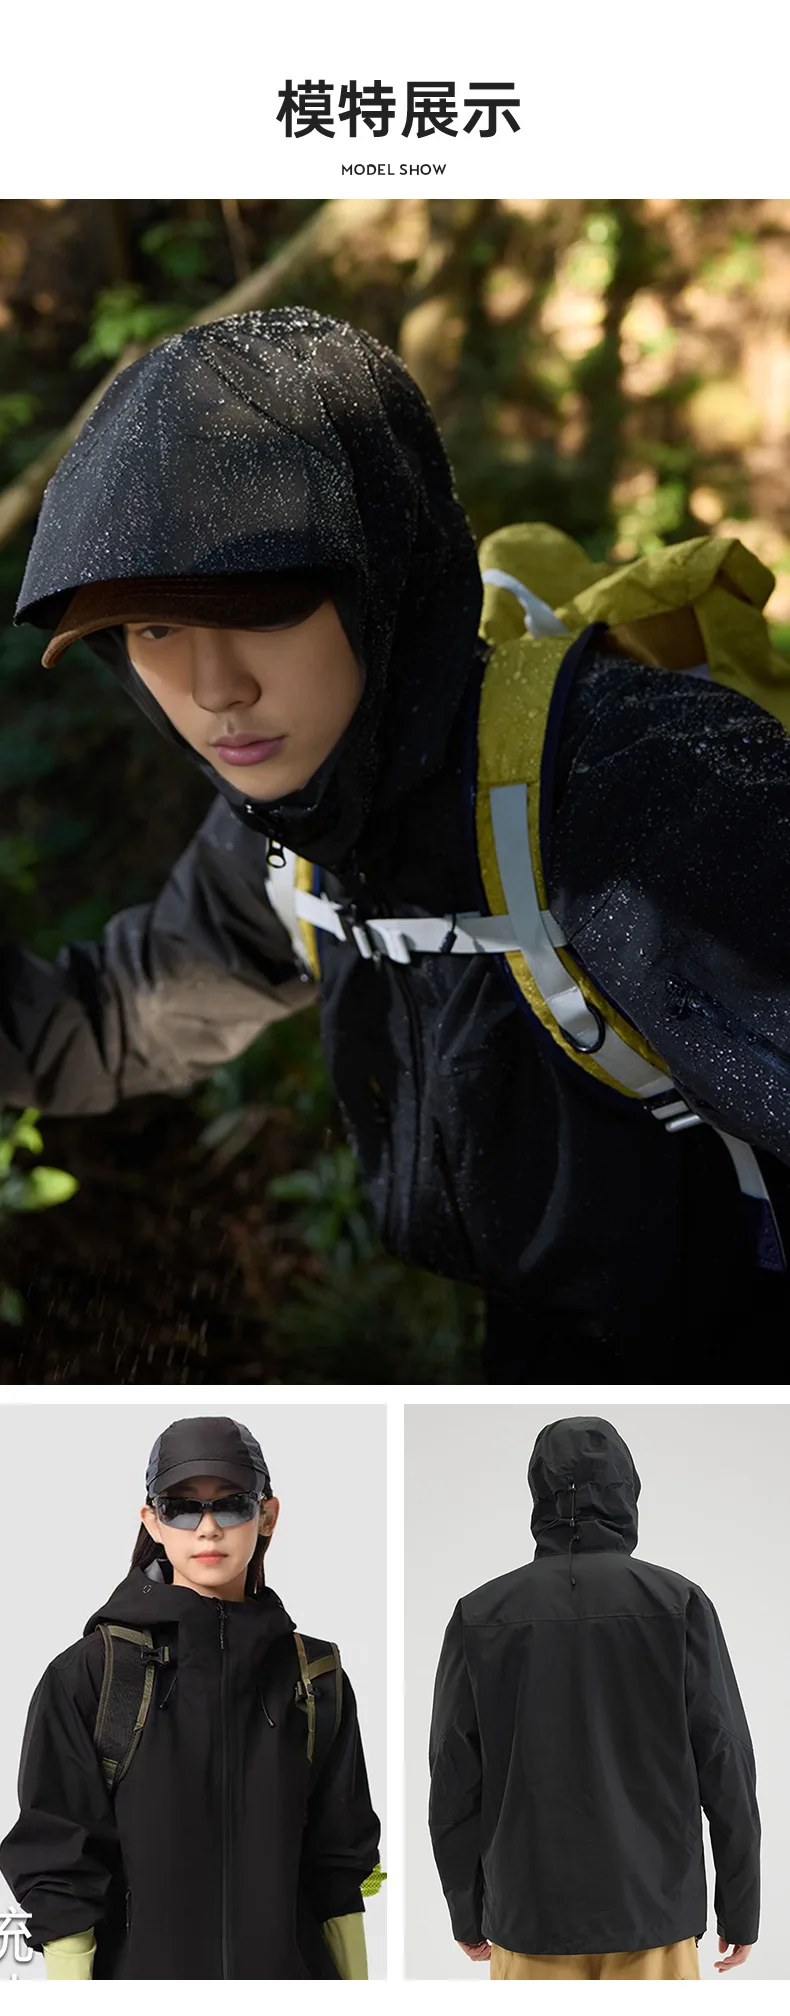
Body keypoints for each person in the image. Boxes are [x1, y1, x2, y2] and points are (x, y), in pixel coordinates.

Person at [3, 304, 790, 1374]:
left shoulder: (638, 792)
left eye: (263, 608)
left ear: (383, 571)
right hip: (540, 1357)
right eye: (154, 627)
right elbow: (114, 1015)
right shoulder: (296, 831)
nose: (214, 688)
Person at [0, 1414, 382, 1980]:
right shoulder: (92, 1673)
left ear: (267, 1515)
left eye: (232, 1504)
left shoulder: (315, 1677)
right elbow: (59, 1859)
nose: (207, 1528)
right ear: (152, 1522)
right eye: (181, 1507)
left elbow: (342, 1863)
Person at [428, 1415, 760, 1981]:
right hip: (652, 1914)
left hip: (530, 1918)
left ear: (538, 1494)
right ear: (627, 1492)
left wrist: (467, 1908)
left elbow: (454, 1775)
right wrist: (740, 1907)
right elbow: (725, 1760)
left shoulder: (480, 1614)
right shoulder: (678, 1604)